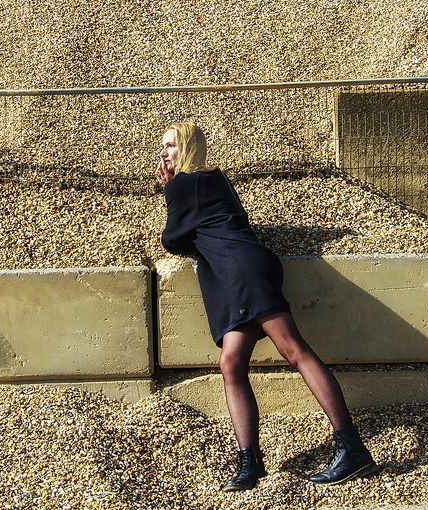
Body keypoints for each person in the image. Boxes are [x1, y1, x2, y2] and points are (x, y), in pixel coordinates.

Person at [156, 122, 377, 491]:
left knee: (294, 350)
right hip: (246, 268)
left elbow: (173, 241)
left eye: (172, 147)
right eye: (163, 147)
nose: (165, 154)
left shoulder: (181, 185)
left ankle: (351, 446)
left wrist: (167, 191)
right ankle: (250, 463)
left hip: (238, 272)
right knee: (231, 362)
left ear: (188, 149)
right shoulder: (218, 179)